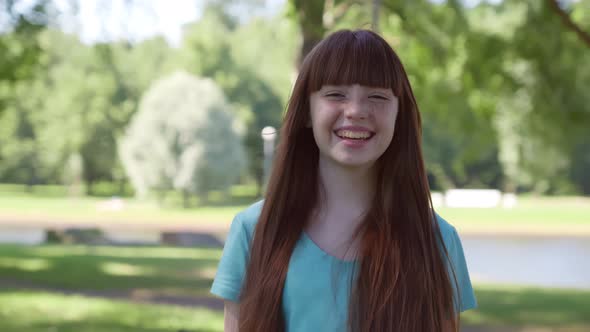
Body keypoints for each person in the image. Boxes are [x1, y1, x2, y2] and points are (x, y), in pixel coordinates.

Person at [210, 29, 477, 332]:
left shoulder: (436, 239)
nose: (356, 111)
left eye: (376, 97)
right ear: (307, 111)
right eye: (335, 94)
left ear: (399, 114)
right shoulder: (253, 230)